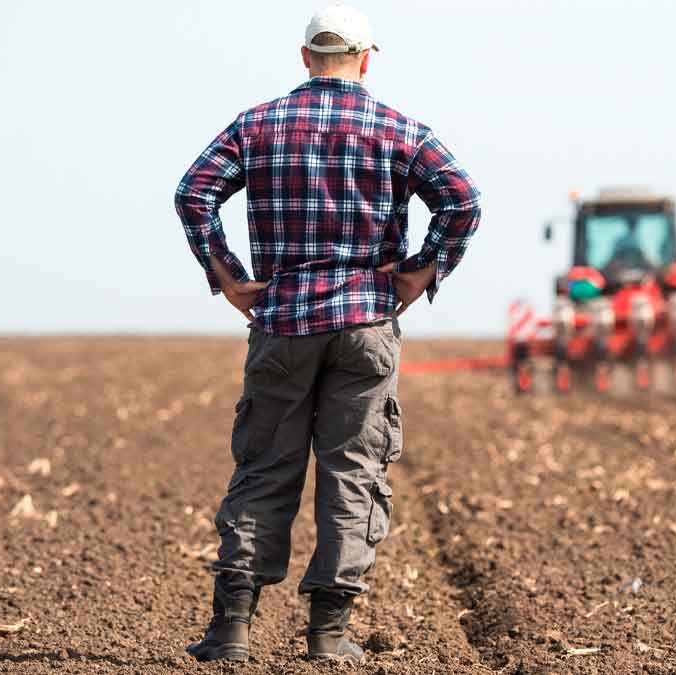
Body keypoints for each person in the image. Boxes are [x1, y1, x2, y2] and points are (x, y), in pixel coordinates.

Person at [173, 4, 480, 663]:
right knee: (354, 472)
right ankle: (330, 634)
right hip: (366, 322)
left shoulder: (256, 125)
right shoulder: (401, 130)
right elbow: (463, 199)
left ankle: (231, 631)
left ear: (304, 56)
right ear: (368, 59)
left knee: (265, 468)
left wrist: (227, 275)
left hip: (282, 321)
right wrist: (423, 270)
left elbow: (193, 191)